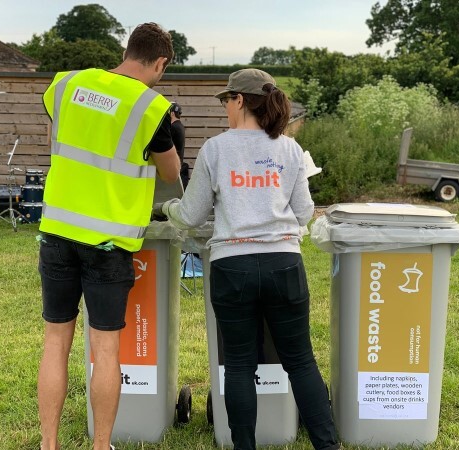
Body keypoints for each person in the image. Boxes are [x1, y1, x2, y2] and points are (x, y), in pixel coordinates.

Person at [159, 68, 339, 450]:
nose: (225, 108)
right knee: (301, 362)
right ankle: (328, 445)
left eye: (226, 100)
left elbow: (191, 215)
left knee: (239, 366)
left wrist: (168, 206)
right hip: (284, 265)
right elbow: (305, 211)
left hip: (232, 267)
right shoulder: (289, 149)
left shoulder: (216, 148)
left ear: (240, 100)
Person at [37, 23, 180, 450]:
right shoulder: (150, 107)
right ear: (160, 63)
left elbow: (68, 133)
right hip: (107, 243)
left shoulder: (66, 84)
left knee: (55, 341)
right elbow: (172, 174)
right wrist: (169, 130)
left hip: (57, 232)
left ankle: (49, 445)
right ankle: (101, 446)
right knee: (106, 349)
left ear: (126, 50)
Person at [169, 101, 190, 189]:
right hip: (179, 164)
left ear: (172, 113)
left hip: (173, 166)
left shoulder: (173, 127)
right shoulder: (180, 126)